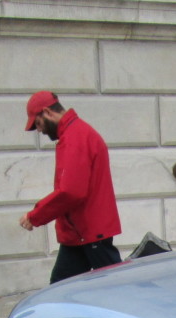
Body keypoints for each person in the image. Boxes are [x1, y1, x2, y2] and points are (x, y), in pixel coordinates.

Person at [19, 91, 122, 283]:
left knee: (115, 287)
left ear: (47, 112)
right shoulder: (76, 134)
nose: (40, 131)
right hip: (83, 233)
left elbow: (71, 192)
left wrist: (35, 216)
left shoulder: (75, 138)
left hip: (88, 232)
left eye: (38, 124)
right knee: (62, 289)